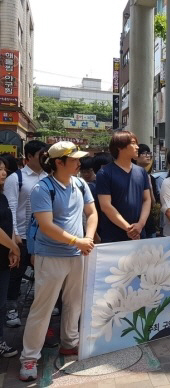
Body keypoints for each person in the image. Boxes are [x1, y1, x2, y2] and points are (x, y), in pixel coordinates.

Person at [19, 142, 97, 382]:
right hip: (51, 256)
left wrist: (88, 239)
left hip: (78, 255)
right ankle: (29, 357)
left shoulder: (80, 184)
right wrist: (78, 242)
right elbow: (46, 225)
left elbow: (92, 213)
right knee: (42, 308)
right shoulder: (42, 189)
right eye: (73, 159)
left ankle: (69, 343)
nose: (79, 163)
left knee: (74, 303)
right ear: (58, 162)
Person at [3, 140, 47, 328]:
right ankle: (11, 308)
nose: (44, 158)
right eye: (41, 155)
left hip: (43, 235)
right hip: (22, 234)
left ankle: (43, 304)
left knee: (43, 270)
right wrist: (15, 233)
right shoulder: (16, 178)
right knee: (17, 273)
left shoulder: (48, 176)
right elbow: (11, 206)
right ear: (29, 157)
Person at [96, 131, 151, 243]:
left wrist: (141, 224)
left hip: (139, 233)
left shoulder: (141, 172)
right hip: (113, 236)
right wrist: (129, 228)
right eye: (133, 143)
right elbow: (105, 206)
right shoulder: (105, 173)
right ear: (120, 147)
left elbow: (147, 199)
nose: (137, 147)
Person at [0, 156, 20, 358]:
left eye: (4, 169)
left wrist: (12, 249)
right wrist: (14, 246)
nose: (4, 172)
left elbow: (9, 221)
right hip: (6, 251)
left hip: (3, 257)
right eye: (0, 169)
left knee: (1, 303)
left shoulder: (3, 195)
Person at [135, 144, 159, 238]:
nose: (148, 156)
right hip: (135, 222)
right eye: (144, 153)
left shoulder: (151, 178)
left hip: (149, 222)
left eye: (149, 153)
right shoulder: (132, 176)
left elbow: (153, 203)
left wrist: (149, 187)